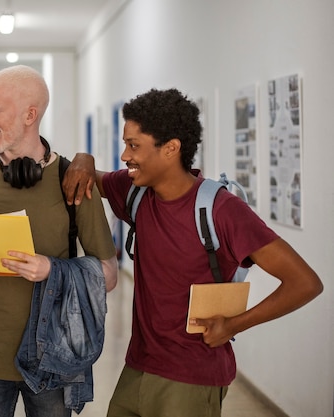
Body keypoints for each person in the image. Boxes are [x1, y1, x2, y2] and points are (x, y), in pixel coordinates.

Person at [62, 88, 323, 417]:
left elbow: (305, 282)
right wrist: (84, 157)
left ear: (171, 149)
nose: (125, 156)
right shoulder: (136, 191)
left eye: (133, 145)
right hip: (137, 367)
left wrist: (234, 325)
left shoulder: (222, 210)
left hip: (193, 377)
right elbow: (89, 177)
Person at [0, 65, 119, 417]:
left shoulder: (75, 182)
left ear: (30, 115)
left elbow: (108, 276)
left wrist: (52, 269)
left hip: (54, 356)